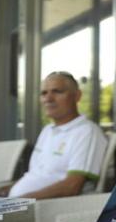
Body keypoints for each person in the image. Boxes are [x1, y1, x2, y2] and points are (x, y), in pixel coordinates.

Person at [8, 71, 107, 199]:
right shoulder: (48, 130)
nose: (48, 99)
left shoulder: (86, 132)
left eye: (57, 92)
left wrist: (17, 202)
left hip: (48, 210)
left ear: (77, 96)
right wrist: (7, 192)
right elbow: (37, 175)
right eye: (44, 93)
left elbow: (72, 187)